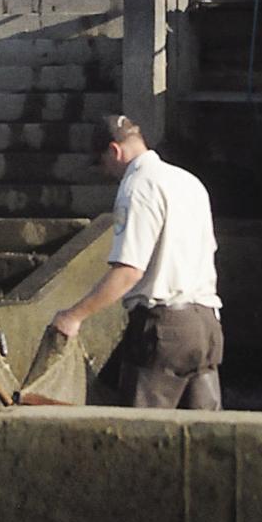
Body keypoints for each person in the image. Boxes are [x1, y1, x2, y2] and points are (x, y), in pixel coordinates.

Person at [51, 114, 224, 410]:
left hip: (164, 331)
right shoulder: (189, 182)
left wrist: (74, 316)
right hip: (207, 328)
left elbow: (129, 271)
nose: (107, 172)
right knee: (207, 442)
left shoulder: (137, 187)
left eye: (103, 163)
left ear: (115, 151)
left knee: (139, 441)